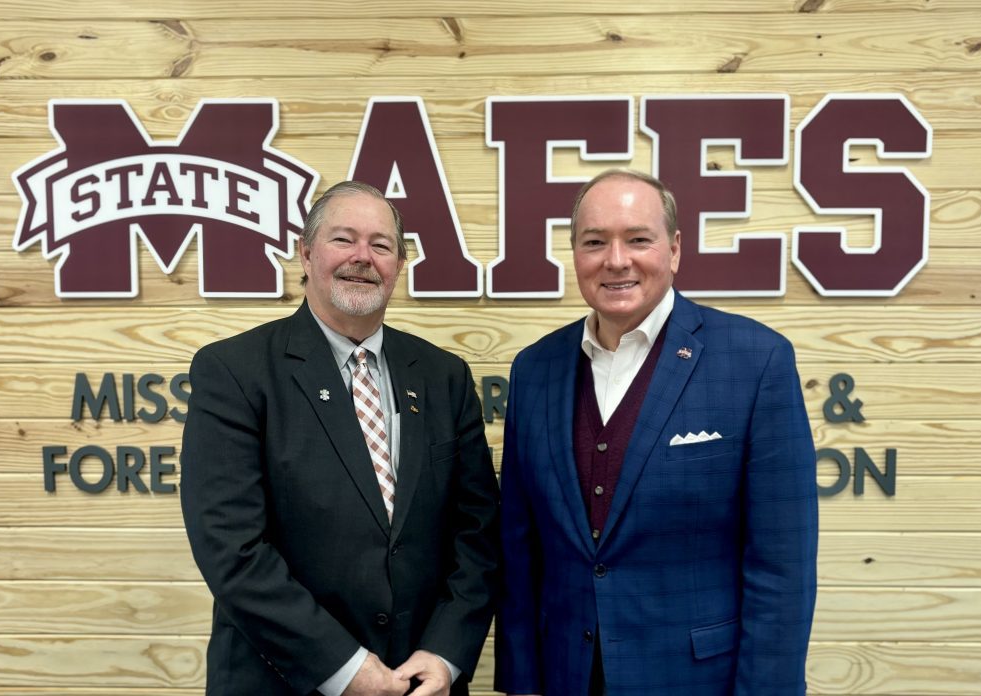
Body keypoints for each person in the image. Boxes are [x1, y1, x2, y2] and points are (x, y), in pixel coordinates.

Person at [494, 170, 818, 696]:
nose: (616, 260)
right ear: (574, 253)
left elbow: (783, 568)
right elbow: (519, 550)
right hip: (566, 677)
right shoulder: (535, 370)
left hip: (698, 679)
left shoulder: (757, 360)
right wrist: (522, 682)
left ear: (674, 250)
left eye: (638, 239)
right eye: (594, 242)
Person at [181, 181, 500, 696]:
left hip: (420, 683)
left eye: (381, 244)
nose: (362, 257)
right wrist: (345, 668)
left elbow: (478, 533)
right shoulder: (234, 372)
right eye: (343, 239)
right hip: (285, 681)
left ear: (399, 263)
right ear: (306, 254)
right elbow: (231, 549)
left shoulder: (444, 376)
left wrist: (445, 653)